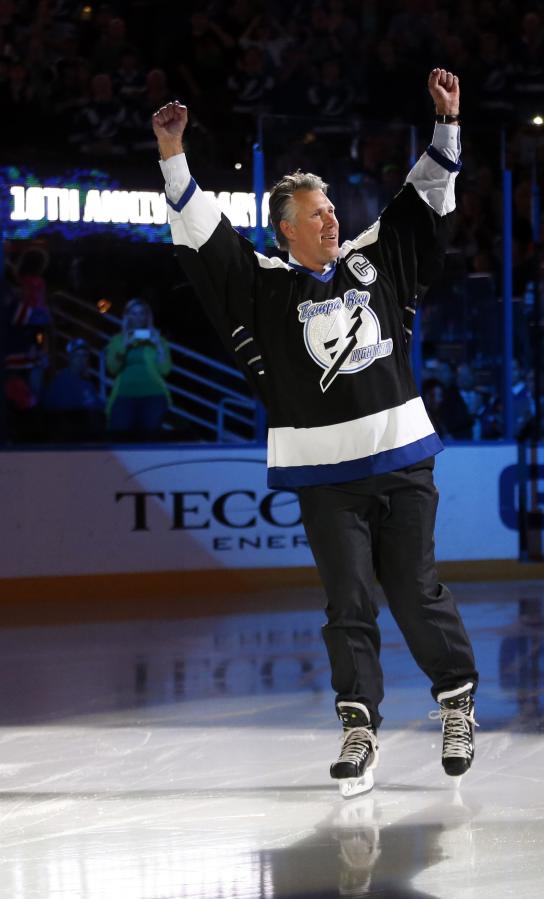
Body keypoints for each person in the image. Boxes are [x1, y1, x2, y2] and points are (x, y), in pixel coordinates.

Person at [151, 68, 478, 798]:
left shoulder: (374, 258)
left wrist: (446, 123)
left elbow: (423, 199)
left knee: (413, 588)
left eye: (330, 206)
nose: (330, 217)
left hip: (402, 463)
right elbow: (204, 241)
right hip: (325, 478)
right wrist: (173, 154)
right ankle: (358, 725)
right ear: (286, 228)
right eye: (315, 212)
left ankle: (456, 701)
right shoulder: (264, 288)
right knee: (349, 600)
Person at [105, 298, 171, 440]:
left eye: (142, 313)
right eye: (133, 313)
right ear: (127, 317)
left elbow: (165, 370)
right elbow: (112, 368)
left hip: (153, 395)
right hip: (124, 395)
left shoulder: (158, 340)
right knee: (119, 437)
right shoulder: (117, 340)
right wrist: (125, 345)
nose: (138, 317)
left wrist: (158, 345)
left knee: (148, 439)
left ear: (147, 316)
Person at [43, 337, 104, 441]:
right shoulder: (60, 381)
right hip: (69, 441)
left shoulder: (88, 383)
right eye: (77, 355)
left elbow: (98, 408)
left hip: (89, 440)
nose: (81, 360)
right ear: (70, 357)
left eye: (84, 356)